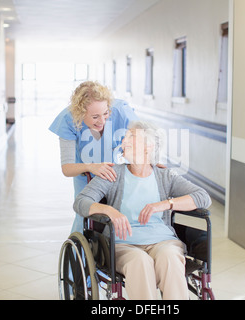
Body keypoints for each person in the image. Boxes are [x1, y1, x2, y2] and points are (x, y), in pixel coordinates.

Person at [73, 121, 211, 300]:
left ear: (148, 146)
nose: (124, 141)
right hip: (123, 244)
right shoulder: (113, 174)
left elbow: (203, 197)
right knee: (140, 262)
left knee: (170, 258)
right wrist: (109, 211)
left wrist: (163, 204)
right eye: (125, 137)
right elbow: (81, 202)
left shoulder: (165, 176)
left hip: (163, 242)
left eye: (131, 136)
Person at [49, 81, 138, 233]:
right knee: (86, 216)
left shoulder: (122, 111)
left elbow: (143, 144)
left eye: (105, 113)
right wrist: (91, 167)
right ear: (80, 113)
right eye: (95, 117)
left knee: (124, 210)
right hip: (85, 175)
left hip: (115, 172)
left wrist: (152, 163)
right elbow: (67, 168)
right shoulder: (67, 120)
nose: (102, 121)